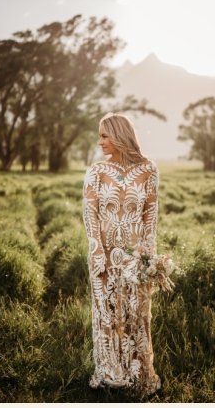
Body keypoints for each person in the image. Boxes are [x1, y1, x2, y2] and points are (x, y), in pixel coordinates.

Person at [82, 113, 160, 394]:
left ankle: (138, 374)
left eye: (104, 135)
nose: (100, 141)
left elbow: (151, 213)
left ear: (119, 135)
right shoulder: (97, 171)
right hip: (104, 255)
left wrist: (149, 254)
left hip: (135, 257)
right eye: (100, 135)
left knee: (136, 315)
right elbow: (89, 213)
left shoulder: (148, 169)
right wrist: (96, 249)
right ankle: (112, 373)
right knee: (108, 314)